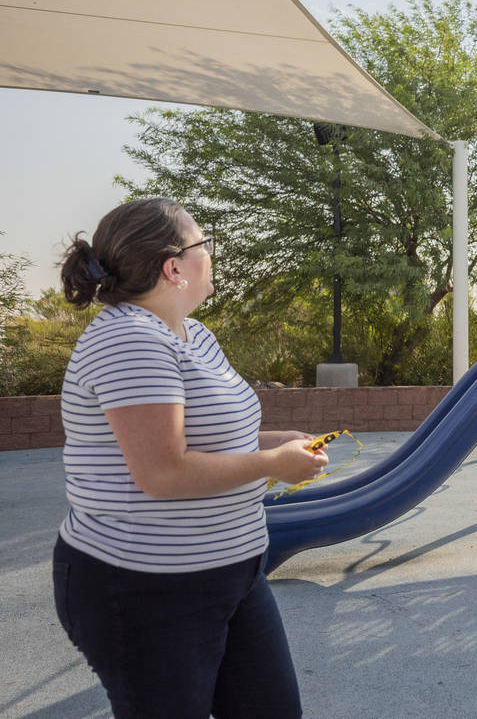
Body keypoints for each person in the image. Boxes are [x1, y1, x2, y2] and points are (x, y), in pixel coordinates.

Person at [52, 197, 329, 719]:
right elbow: (162, 472)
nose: (212, 252)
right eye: (204, 242)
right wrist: (273, 465)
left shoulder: (191, 333)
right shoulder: (129, 340)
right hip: (145, 588)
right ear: (173, 267)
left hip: (233, 571)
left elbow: (205, 436)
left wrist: (274, 440)